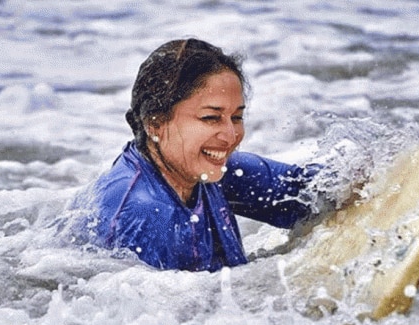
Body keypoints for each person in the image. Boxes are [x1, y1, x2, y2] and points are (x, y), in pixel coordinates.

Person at [56, 38, 368, 272]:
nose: (231, 136)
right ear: (155, 123)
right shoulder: (142, 216)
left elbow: (308, 195)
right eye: (210, 118)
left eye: (236, 117)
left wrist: (366, 175)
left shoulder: (206, 171)